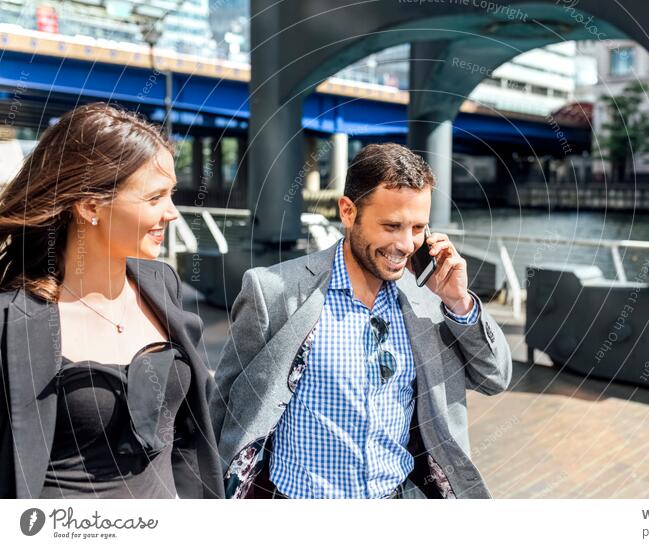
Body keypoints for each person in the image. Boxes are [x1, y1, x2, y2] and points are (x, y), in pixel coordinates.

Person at [211, 143, 512, 499]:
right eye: (391, 226)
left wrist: (459, 301)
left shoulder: (430, 298)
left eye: (418, 227)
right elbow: (223, 406)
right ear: (348, 211)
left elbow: (495, 379)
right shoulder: (274, 291)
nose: (405, 244)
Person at [0, 103, 223, 498]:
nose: (172, 213)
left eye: (170, 194)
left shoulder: (162, 285)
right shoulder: (12, 316)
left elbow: (189, 438)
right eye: (155, 198)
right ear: (89, 206)